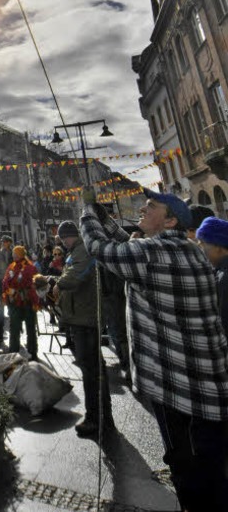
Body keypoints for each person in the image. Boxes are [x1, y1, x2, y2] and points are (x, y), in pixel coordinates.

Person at [80, 188, 228, 510]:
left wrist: (88, 211)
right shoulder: (188, 249)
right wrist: (107, 220)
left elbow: (99, 248)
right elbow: (128, 244)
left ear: (171, 220)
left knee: (188, 464)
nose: (143, 210)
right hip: (206, 382)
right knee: (211, 461)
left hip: (178, 387)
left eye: (152, 207)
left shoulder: (151, 255)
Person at [55, 219, 114, 438]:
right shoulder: (76, 250)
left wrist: (57, 282)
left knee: (92, 372)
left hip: (86, 318)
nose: (62, 241)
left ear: (71, 235)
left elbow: (75, 277)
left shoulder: (83, 251)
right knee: (91, 369)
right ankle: (100, 417)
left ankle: (97, 419)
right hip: (80, 316)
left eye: (63, 237)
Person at [2, 245, 39, 359]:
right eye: (13, 253)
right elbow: (5, 282)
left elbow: (35, 283)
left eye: (16, 253)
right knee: (14, 327)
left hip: (27, 301)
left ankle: (32, 352)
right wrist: (9, 291)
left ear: (21, 254)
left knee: (30, 327)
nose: (13, 255)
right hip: (15, 302)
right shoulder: (11, 266)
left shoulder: (30, 267)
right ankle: (13, 352)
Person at [196, 215, 228, 336]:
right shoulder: (220, 272)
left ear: (218, 246)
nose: (200, 249)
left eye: (202, 244)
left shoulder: (224, 278)